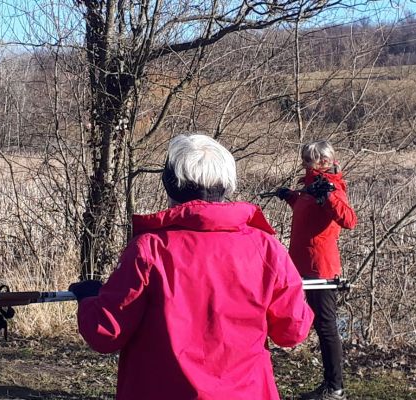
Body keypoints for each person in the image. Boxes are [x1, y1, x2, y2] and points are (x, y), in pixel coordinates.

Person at [71, 133, 313, 400]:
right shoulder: (266, 247)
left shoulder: (150, 249)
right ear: (226, 185)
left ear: (170, 185)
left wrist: (89, 297)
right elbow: (292, 331)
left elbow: (105, 332)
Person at [274, 140, 358, 400]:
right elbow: (308, 214)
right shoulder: (310, 188)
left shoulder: (331, 187)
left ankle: (335, 388)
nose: (312, 163)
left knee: (326, 326)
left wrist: (329, 194)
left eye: (317, 159)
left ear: (328, 160)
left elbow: (349, 220)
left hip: (321, 269)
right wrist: (291, 196)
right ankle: (330, 385)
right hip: (300, 265)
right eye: (309, 159)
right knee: (312, 322)